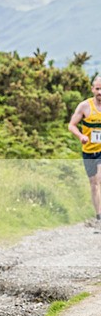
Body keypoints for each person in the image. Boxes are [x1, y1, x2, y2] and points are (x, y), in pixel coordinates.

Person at [68, 75, 101, 229]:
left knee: (100, 179)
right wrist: (81, 136)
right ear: (92, 89)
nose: (100, 92)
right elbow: (71, 125)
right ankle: (98, 215)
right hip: (88, 151)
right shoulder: (84, 106)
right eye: (98, 89)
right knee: (93, 184)